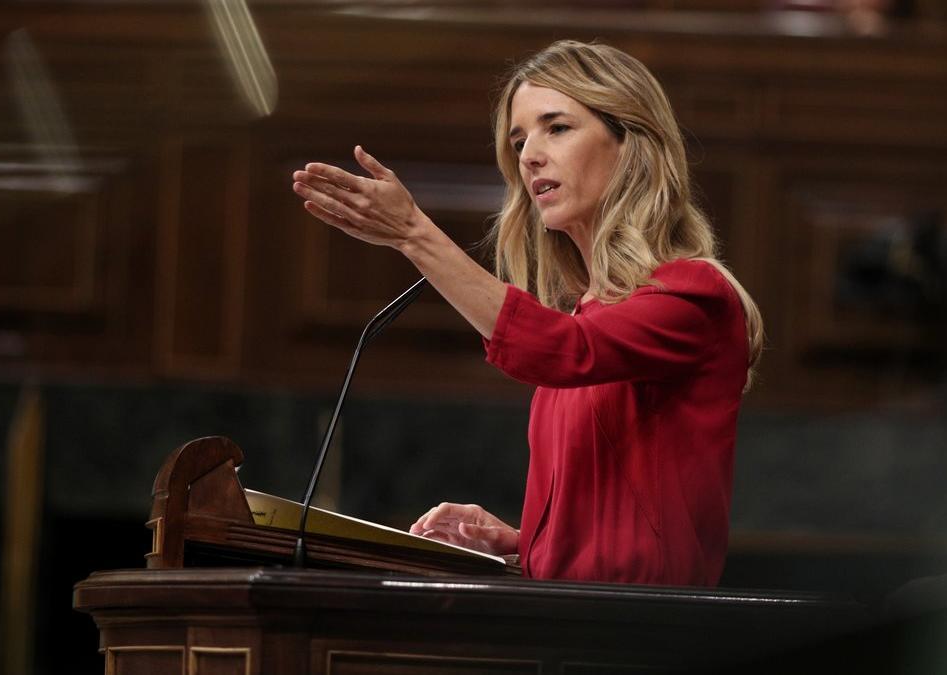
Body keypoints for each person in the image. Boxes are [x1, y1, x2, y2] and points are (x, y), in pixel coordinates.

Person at [291, 40, 763, 586]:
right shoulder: (589, 313)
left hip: (640, 634)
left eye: (556, 128)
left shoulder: (692, 295)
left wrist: (414, 235)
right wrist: (526, 542)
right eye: (519, 140)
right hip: (569, 623)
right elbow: (620, 515)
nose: (529, 155)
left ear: (631, 142)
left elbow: (563, 352)